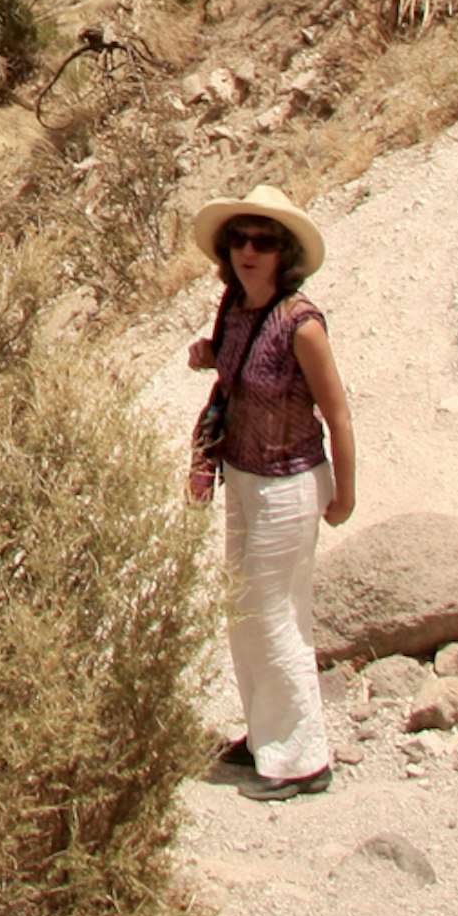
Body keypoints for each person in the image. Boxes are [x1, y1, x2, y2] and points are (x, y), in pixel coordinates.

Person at [183, 182, 354, 799]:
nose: (248, 252)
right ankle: (265, 738)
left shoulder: (301, 325)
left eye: (263, 242)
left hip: (290, 482)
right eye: (239, 241)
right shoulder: (234, 308)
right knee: (243, 611)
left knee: (273, 616)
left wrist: (346, 493)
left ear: (284, 255)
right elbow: (234, 369)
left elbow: (337, 413)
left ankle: (302, 759)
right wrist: (209, 354)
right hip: (245, 476)